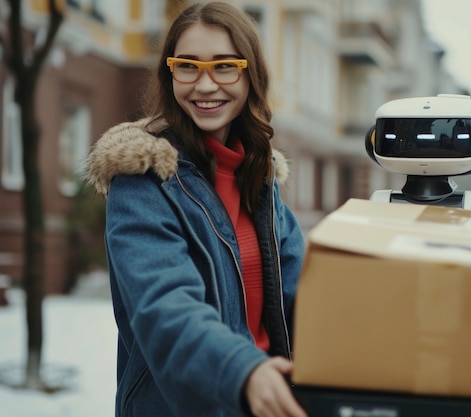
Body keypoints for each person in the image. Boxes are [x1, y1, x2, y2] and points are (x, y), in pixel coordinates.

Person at [86, 2, 307, 417]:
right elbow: (164, 308)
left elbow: (307, 301)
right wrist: (243, 372)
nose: (205, 85)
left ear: (250, 75)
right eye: (187, 66)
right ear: (171, 75)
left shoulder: (259, 180)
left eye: (225, 67)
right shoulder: (144, 182)